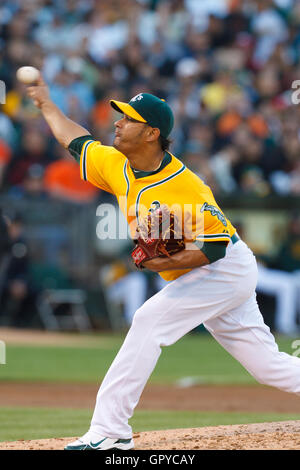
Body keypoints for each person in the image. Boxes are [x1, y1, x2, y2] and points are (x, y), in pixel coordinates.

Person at [26, 76, 300, 451]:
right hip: (205, 273)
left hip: (224, 268)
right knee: (268, 367)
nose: (118, 123)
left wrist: (161, 262)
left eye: (129, 119)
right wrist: (45, 104)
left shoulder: (186, 186)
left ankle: (111, 429)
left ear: (152, 132)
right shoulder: (116, 163)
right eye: (120, 116)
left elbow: (215, 247)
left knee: (148, 320)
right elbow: (75, 140)